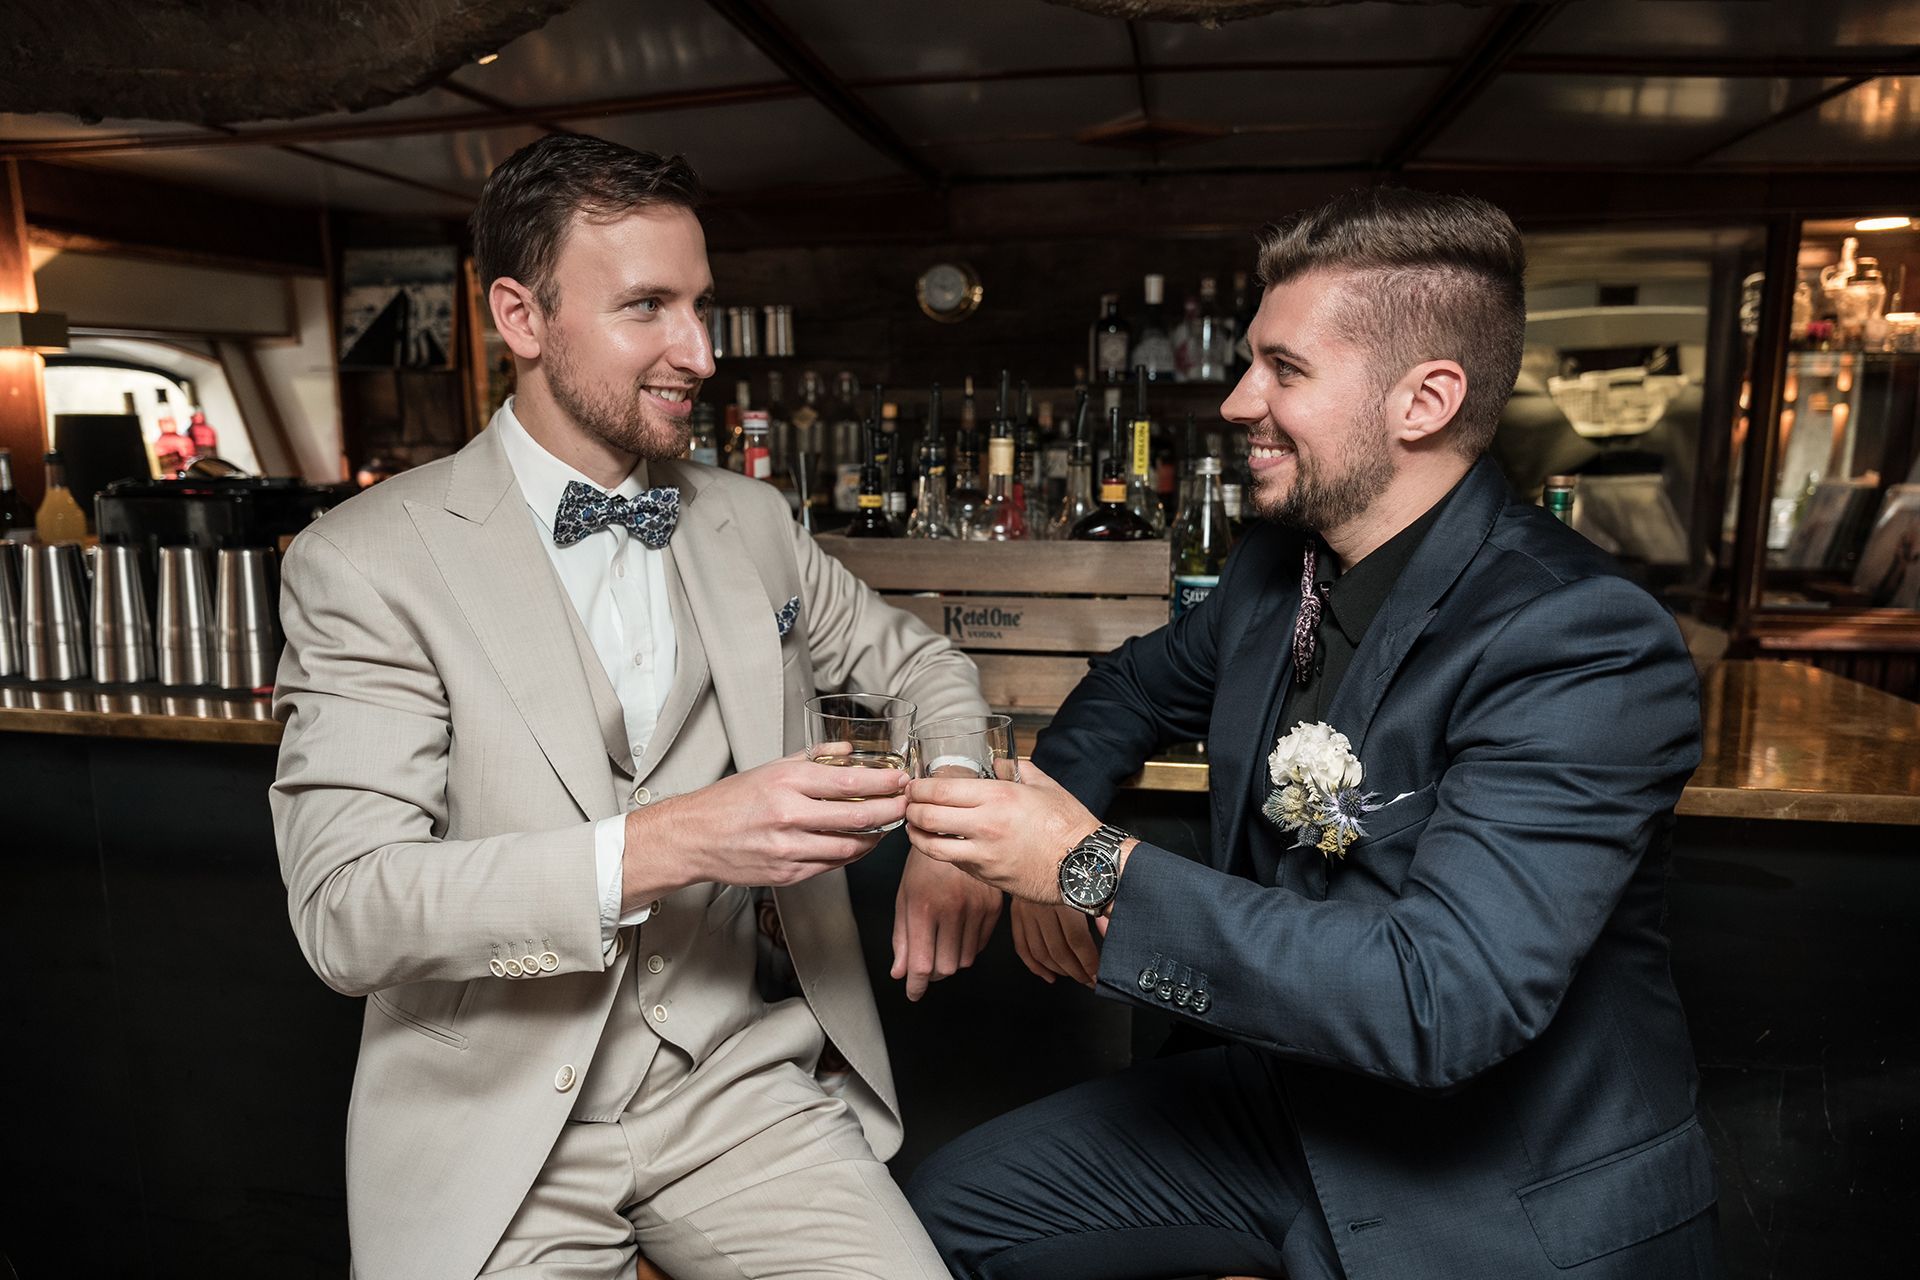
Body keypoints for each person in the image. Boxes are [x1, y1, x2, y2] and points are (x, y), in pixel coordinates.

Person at [902, 187, 1718, 1280]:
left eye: (1284, 369)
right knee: (927, 1223)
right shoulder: (1268, 571)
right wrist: (1040, 816)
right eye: (1251, 363)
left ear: (1423, 399)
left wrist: (1088, 867)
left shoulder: (1580, 638)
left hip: (1490, 1179)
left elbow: (1442, 998)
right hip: (1273, 1104)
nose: (1240, 401)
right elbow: (1128, 687)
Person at [270, 134, 999, 1280]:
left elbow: (925, 668)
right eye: (647, 307)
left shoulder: (750, 521)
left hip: (736, 1092)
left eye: (702, 305)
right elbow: (348, 908)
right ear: (521, 317)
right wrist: (671, 841)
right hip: (501, 1125)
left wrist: (954, 820)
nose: (700, 352)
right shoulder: (365, 560)